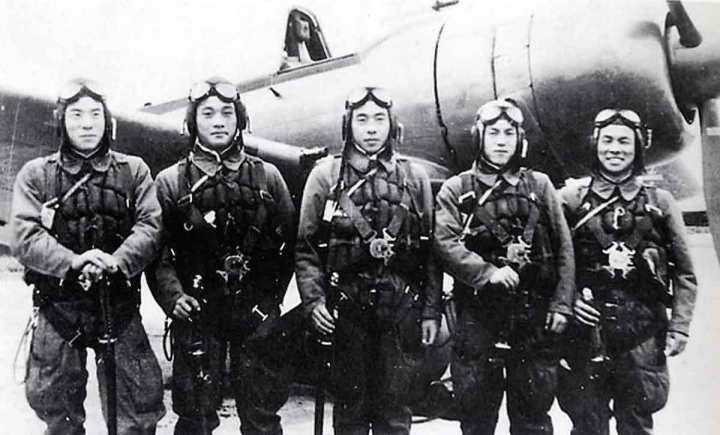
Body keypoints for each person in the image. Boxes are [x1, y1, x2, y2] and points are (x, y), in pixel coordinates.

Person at [10, 78, 165, 434]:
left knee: (137, 414)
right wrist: (73, 261)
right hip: (59, 306)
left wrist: (118, 260)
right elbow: (24, 235)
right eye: (76, 115)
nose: (87, 124)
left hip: (119, 306)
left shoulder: (134, 171)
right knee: (57, 412)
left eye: (96, 114)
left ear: (108, 121)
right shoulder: (36, 175)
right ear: (61, 121)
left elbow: (151, 225)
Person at [149, 77, 295, 435]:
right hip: (198, 312)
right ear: (192, 121)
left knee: (262, 415)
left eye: (227, 113)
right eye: (208, 113)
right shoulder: (170, 182)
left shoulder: (268, 177)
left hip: (257, 313)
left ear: (240, 119)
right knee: (195, 416)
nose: (218, 121)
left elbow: (292, 245)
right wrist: (174, 298)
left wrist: (272, 302)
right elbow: (157, 253)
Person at [295, 86, 442, 435]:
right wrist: (314, 301)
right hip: (347, 314)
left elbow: (429, 252)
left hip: (401, 314)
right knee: (350, 413)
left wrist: (430, 311)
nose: (372, 128)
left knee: (396, 414)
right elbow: (306, 248)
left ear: (393, 125)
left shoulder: (415, 178)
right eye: (362, 119)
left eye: (379, 119)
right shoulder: (325, 176)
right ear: (348, 125)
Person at [434, 98, 575, 435]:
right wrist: (487, 273)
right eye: (493, 133)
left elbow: (564, 248)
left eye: (509, 133)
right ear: (479, 137)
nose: (501, 141)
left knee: (533, 418)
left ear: (520, 139)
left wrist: (561, 304)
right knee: (476, 418)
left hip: (534, 318)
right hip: (478, 318)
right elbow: (444, 241)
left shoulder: (540, 185)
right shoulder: (458, 189)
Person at [556, 109, 697, 435]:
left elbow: (685, 273)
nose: (614, 149)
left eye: (623, 141)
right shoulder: (571, 200)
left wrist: (680, 326)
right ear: (595, 144)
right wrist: (570, 300)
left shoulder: (661, 202)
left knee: (636, 423)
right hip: (586, 333)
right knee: (587, 424)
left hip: (642, 333)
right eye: (607, 140)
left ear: (637, 147)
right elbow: (552, 262)